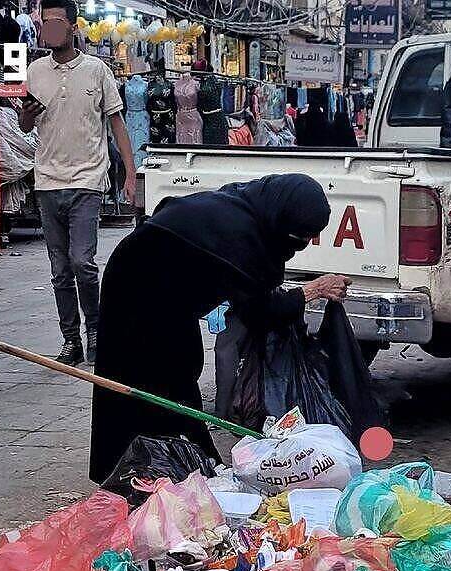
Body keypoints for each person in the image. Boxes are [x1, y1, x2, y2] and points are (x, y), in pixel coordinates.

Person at [88, 174, 351, 483]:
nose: (299, 247)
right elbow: (260, 311)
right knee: (145, 377)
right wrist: (314, 289)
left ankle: (188, 462)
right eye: (298, 238)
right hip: (136, 286)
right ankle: (140, 471)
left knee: (182, 366)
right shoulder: (242, 234)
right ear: (281, 219)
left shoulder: (247, 207)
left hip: (166, 288)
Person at [20, 0, 136, 365]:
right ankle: (71, 341)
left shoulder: (97, 70)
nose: (48, 29)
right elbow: (25, 126)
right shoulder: (35, 71)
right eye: (44, 23)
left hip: (88, 179)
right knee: (58, 270)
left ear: (73, 27)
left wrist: (131, 173)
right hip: (47, 181)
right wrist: (24, 116)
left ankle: (97, 331)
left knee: (82, 262)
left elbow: (117, 124)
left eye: (55, 22)